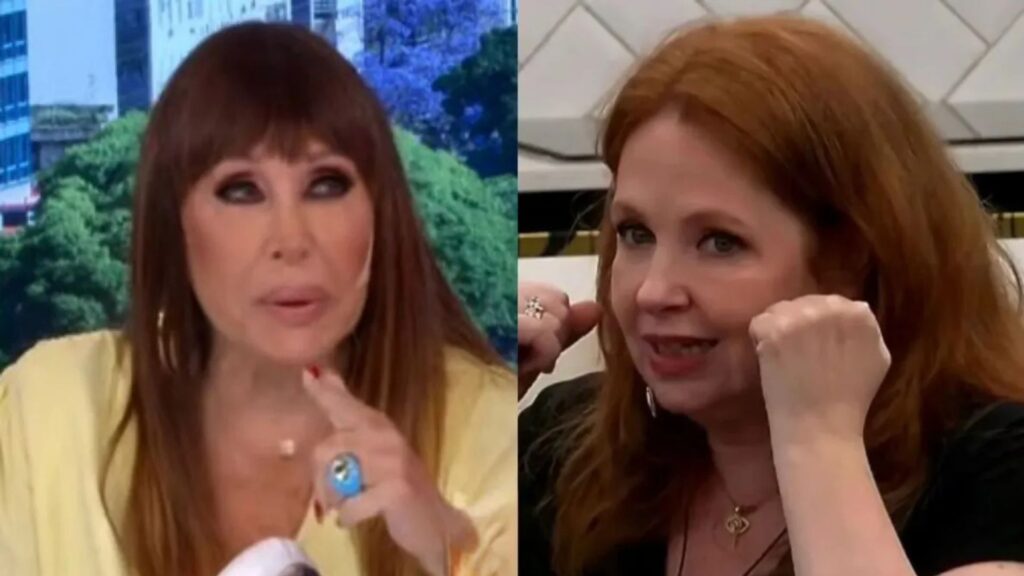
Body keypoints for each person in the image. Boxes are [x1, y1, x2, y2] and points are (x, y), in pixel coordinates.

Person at [0, 22, 515, 576]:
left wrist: (442, 550)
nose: (290, 241)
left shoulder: (491, 434)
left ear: (379, 215)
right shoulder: (50, 410)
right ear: (175, 225)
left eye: (326, 185)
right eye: (241, 190)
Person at [518, 15, 1024, 576]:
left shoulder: (998, 465)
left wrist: (819, 440)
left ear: (852, 259)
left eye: (720, 242)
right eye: (637, 233)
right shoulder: (567, 450)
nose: (654, 291)